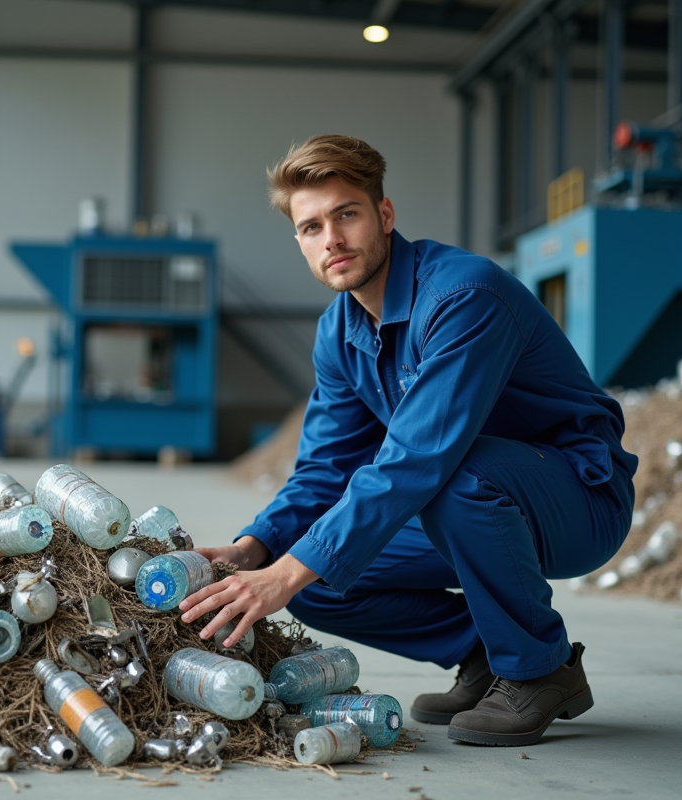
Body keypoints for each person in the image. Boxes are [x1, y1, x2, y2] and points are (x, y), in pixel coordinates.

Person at [178, 134, 638, 747]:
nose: (332, 240)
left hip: (576, 501)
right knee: (321, 583)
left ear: (384, 216)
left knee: (445, 478)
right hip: (466, 501)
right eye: (312, 227)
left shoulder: (463, 296)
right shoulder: (339, 332)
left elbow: (417, 459)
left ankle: (541, 668)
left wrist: (289, 570)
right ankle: (489, 652)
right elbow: (323, 470)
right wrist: (256, 551)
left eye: (347, 215)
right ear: (299, 243)